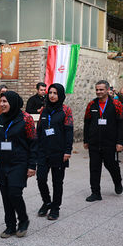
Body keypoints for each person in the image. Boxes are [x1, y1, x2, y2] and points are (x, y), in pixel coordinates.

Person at [0, 91, 36, 238]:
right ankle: (10, 226)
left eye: (5, 101)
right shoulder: (1, 118)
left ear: (12, 102)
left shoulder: (26, 119)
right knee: (5, 196)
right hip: (2, 162)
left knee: (14, 193)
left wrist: (32, 165)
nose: (1, 104)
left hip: (19, 162)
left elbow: (33, 143)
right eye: (1, 101)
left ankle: (23, 220)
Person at [35, 83, 73, 220]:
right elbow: (39, 130)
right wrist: (36, 149)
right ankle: (47, 202)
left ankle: (55, 208)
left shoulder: (66, 110)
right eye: (50, 93)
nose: (51, 95)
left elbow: (69, 132)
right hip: (44, 151)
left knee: (57, 182)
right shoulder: (44, 110)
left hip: (59, 152)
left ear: (60, 95)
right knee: (40, 179)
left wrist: (67, 151)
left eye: (55, 93)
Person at [83, 80, 123, 202]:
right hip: (94, 143)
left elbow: (121, 124)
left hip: (110, 143)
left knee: (111, 165)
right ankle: (95, 193)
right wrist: (86, 140)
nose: (98, 92)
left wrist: (120, 142)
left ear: (107, 90)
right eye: (97, 89)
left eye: (101, 89)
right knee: (94, 168)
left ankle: (117, 182)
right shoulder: (92, 105)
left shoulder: (116, 104)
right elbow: (87, 123)